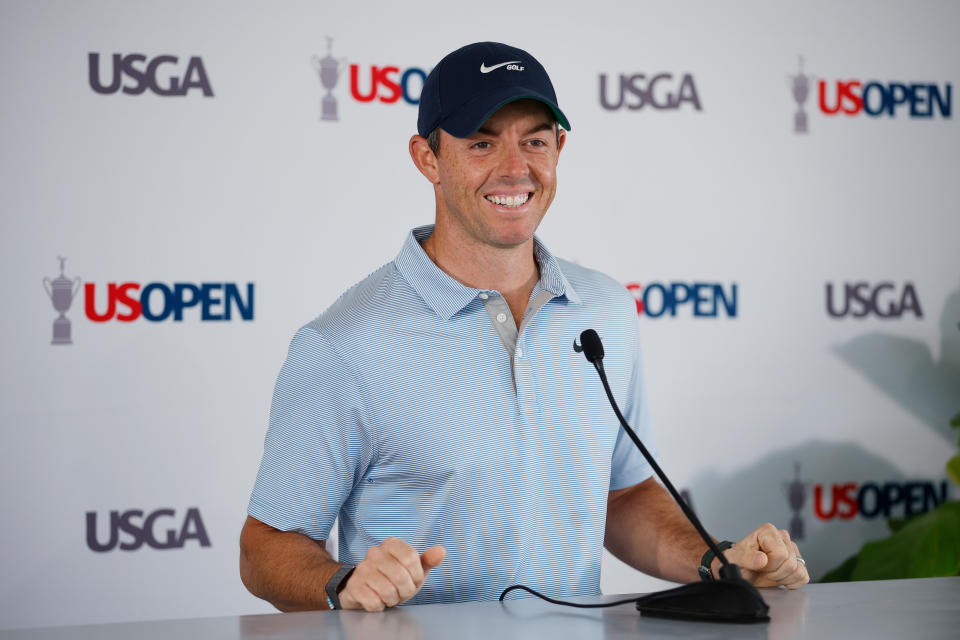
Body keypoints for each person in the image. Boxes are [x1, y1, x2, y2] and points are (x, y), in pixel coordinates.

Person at [239, 41, 809, 613]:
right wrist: (343, 583)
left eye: (534, 140)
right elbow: (265, 547)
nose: (516, 168)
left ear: (559, 148)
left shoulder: (605, 310)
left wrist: (719, 560)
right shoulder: (342, 343)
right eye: (482, 143)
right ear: (427, 158)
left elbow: (624, 496)